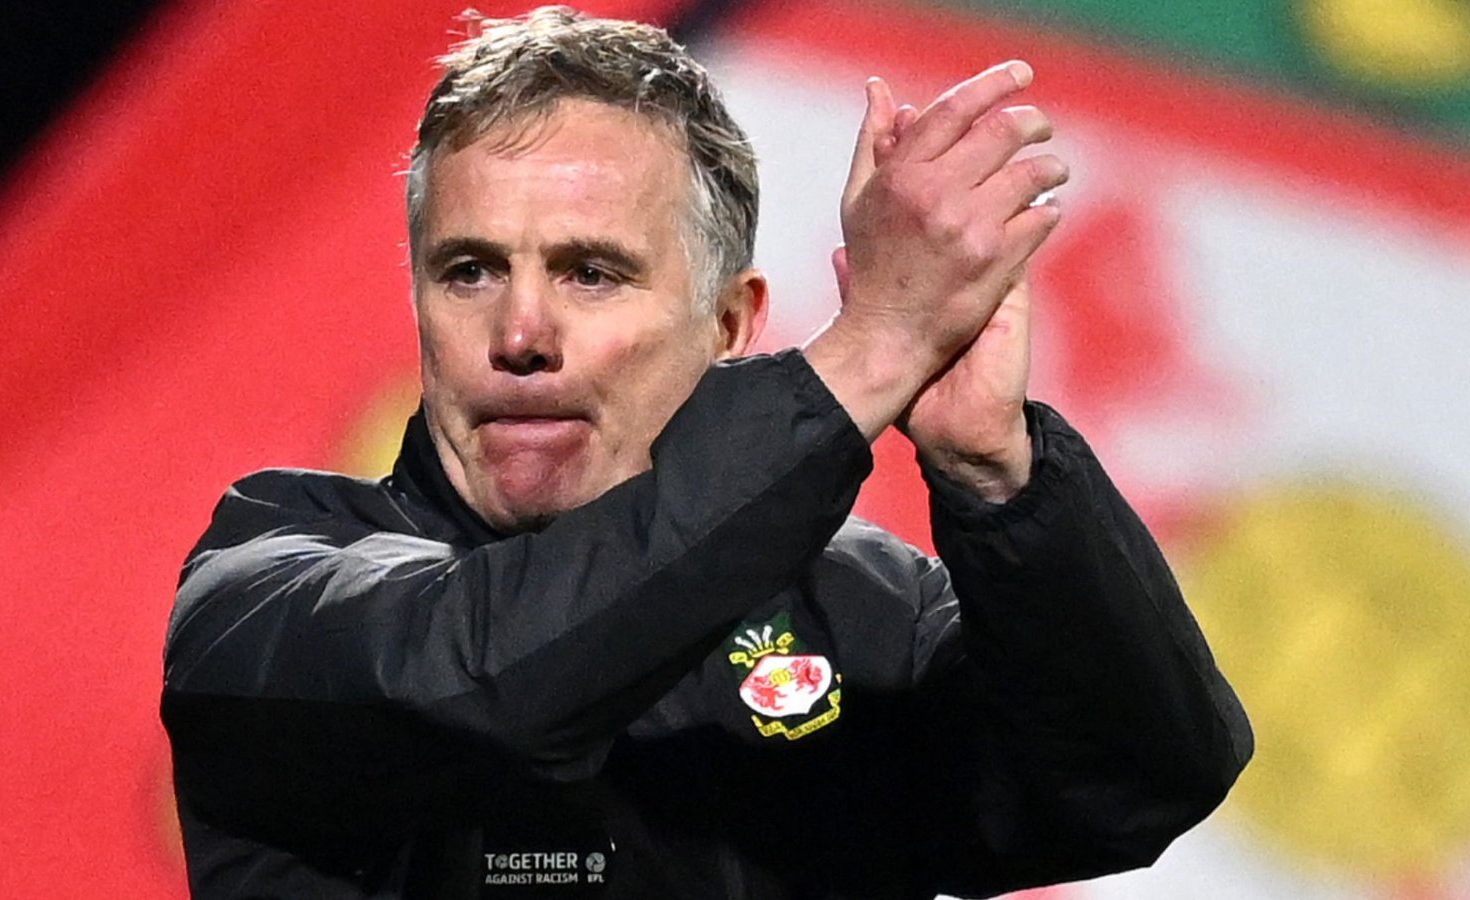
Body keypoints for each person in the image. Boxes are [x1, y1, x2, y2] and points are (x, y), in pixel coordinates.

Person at [160, 7, 1252, 898]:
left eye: (591, 272)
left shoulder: (857, 610)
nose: (520, 333)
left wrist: (996, 473)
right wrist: (874, 348)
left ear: (730, 325)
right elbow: (487, 680)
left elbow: (1133, 783)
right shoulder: (269, 589)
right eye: (469, 271)